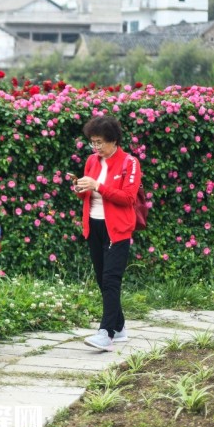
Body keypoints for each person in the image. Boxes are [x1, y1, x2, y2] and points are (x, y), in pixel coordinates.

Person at [72, 114, 142, 352]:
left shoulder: (129, 163)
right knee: (103, 280)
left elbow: (128, 198)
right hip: (94, 225)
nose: (96, 147)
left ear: (113, 140)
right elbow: (87, 194)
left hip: (117, 228)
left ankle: (107, 332)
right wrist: (81, 187)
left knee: (112, 280)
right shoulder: (92, 161)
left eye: (100, 142)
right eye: (93, 142)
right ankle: (119, 326)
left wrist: (98, 186)